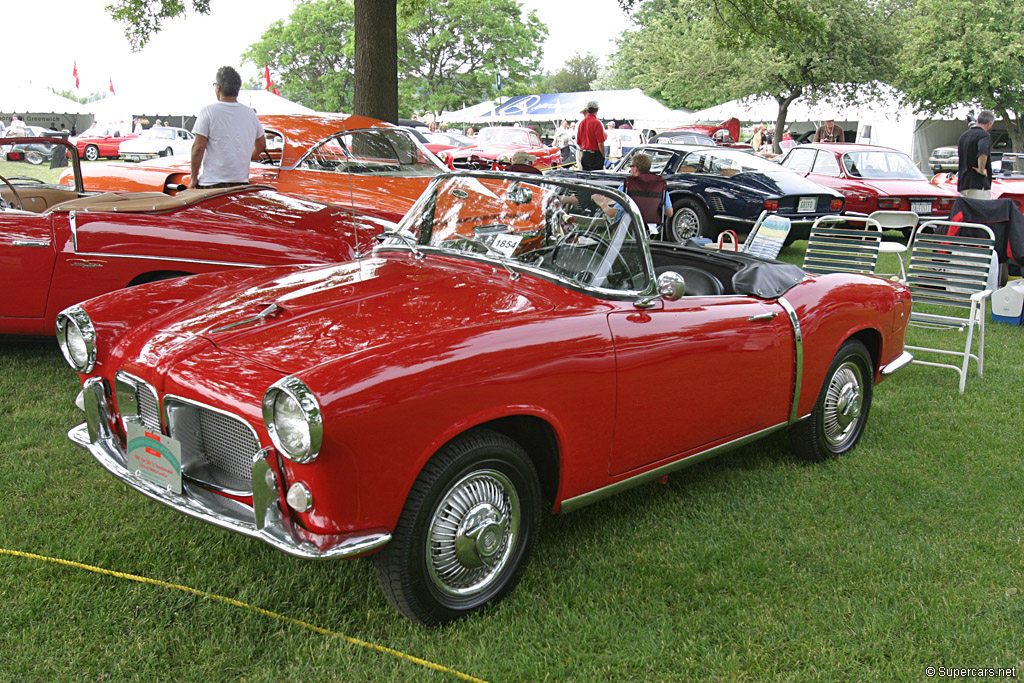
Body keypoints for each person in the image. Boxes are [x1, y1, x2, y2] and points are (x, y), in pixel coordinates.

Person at [189, 66, 266, 190]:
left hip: (211, 184)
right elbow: (261, 145)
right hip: (241, 183)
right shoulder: (250, 114)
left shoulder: (208, 111)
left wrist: (193, 178)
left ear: (218, 87)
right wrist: (245, 157)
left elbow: (198, 147)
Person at [622, 153, 673, 232]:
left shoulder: (628, 184)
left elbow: (614, 212)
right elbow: (669, 212)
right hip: (650, 226)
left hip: (629, 224)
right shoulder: (659, 184)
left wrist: (602, 203)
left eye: (631, 166)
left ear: (635, 169)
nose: (630, 169)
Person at [957, 109, 996, 199]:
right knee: (981, 211)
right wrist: (981, 169)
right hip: (978, 183)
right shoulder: (984, 135)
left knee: (967, 212)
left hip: (964, 182)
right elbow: (983, 151)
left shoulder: (963, 136)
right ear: (989, 124)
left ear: (978, 120)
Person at [576, 100, 606, 171]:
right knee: (596, 179)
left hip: (585, 155)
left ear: (587, 109)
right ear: (597, 109)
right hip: (595, 155)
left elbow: (579, 142)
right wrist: (603, 155)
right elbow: (600, 143)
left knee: (586, 179)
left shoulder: (582, 123)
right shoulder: (597, 123)